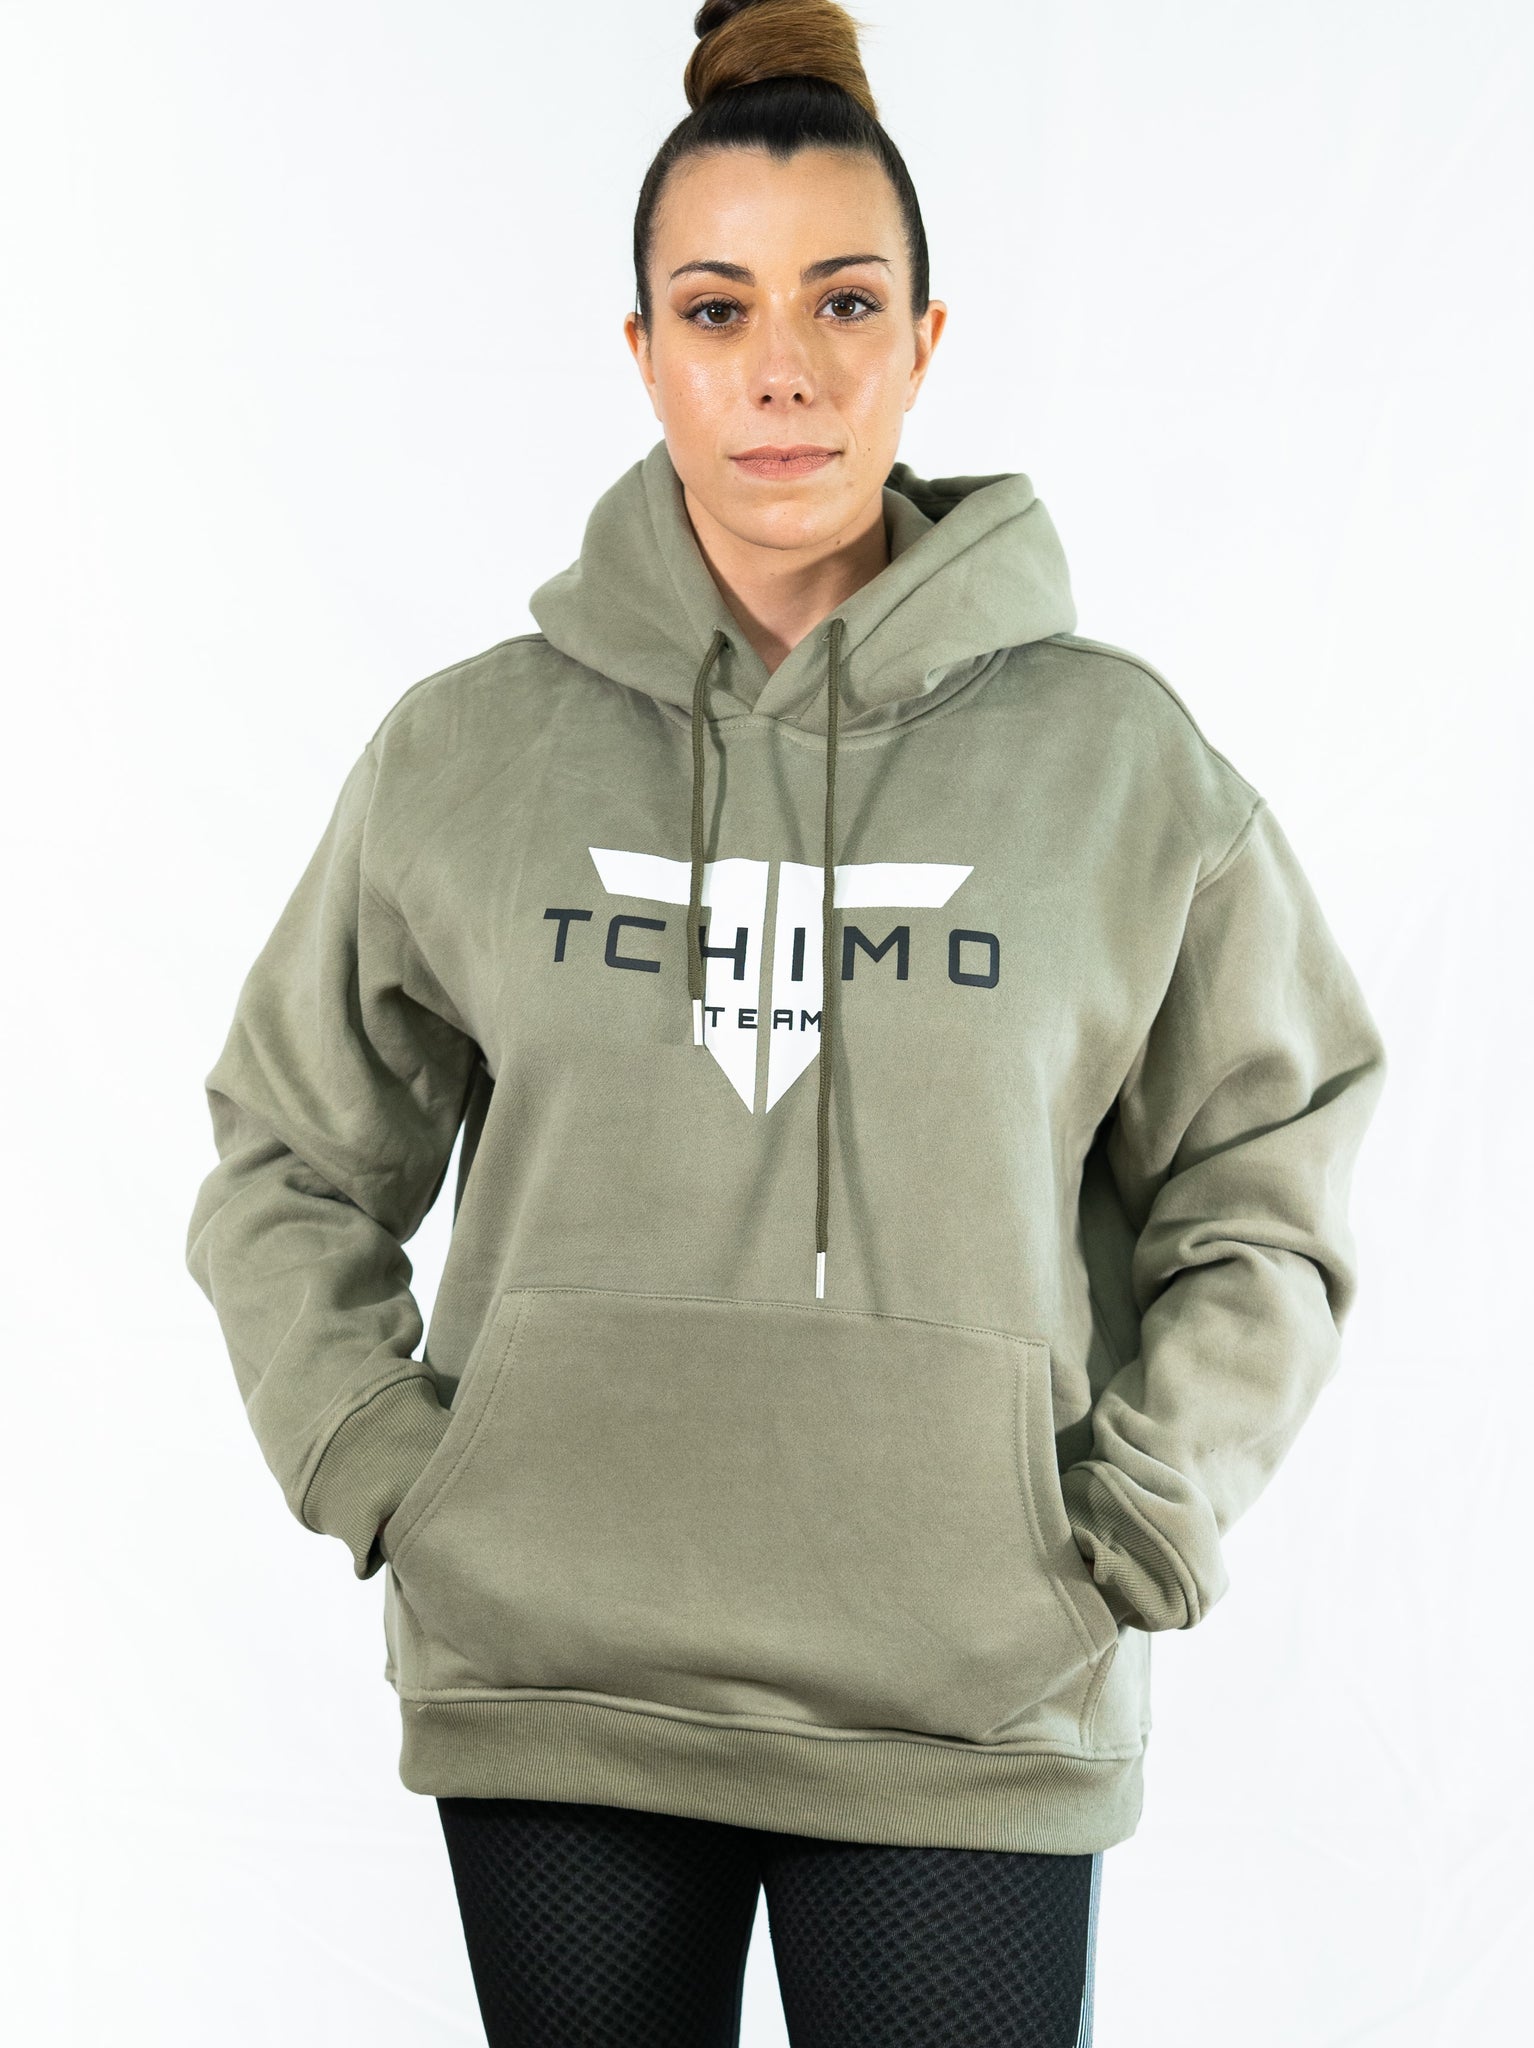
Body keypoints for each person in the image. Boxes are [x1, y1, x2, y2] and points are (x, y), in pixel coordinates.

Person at [184, 1, 1388, 2041]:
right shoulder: (465, 755)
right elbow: (287, 1161)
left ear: (922, 341)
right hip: (557, 1677)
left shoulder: (1114, 764)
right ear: (641, 349)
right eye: (715, 308)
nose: (783, 370)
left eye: (843, 302)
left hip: (964, 1699)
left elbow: (1263, 1176)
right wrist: (388, 1466)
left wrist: (1139, 1517)